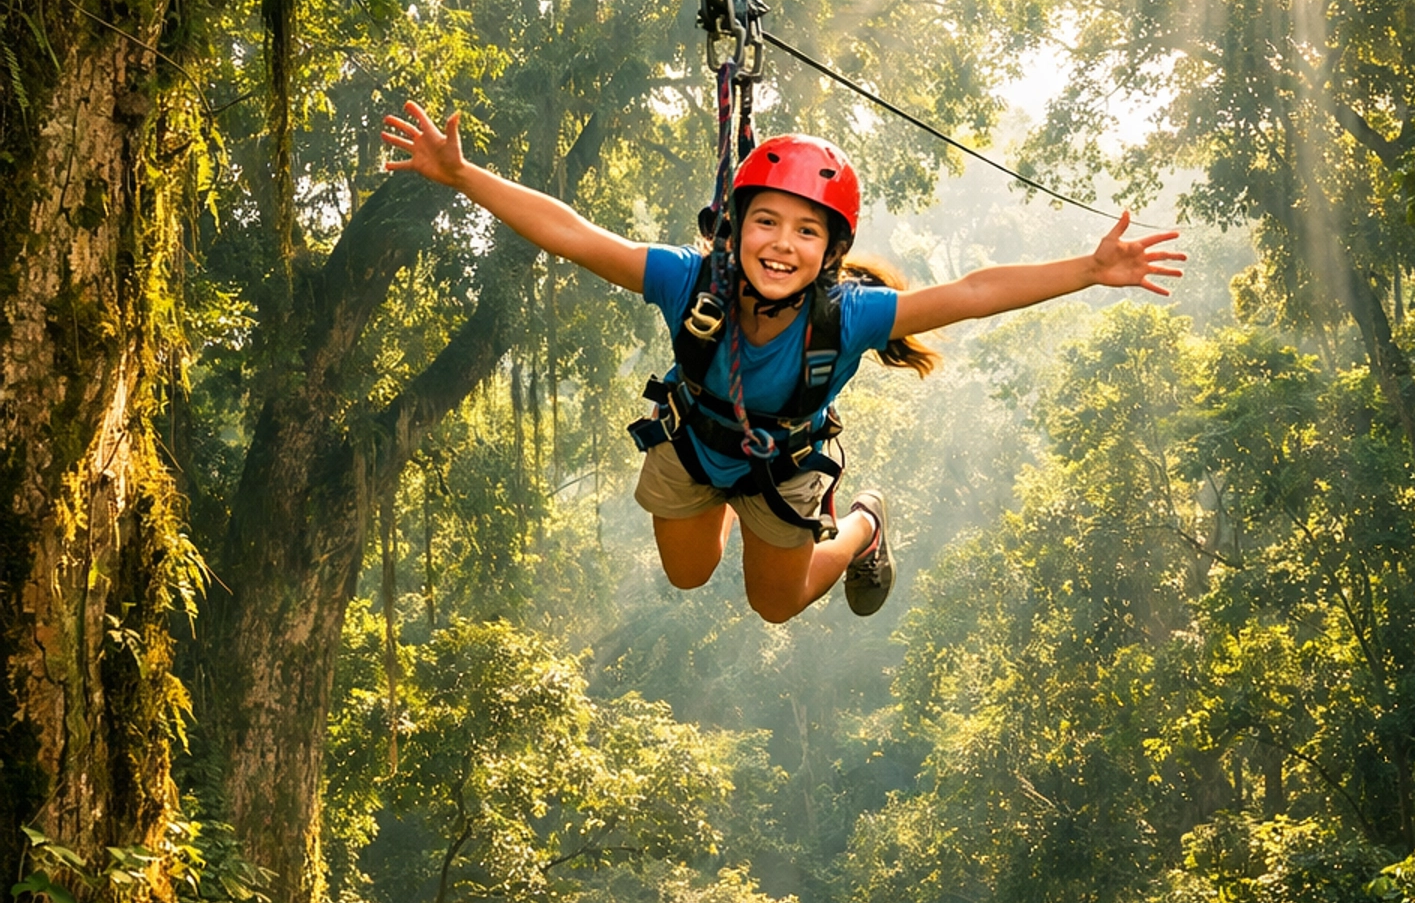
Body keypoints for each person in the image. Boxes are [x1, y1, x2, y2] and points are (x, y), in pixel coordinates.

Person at [381, 103, 1185, 626]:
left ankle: (865, 523)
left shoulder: (852, 316)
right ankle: (733, 501)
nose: (781, 244)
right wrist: (463, 176)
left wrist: (1086, 269)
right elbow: (576, 235)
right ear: (731, 232)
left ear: (831, 253)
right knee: (690, 577)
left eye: (807, 232)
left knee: (775, 605)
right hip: (695, 445)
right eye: (765, 221)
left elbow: (973, 291)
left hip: (786, 466)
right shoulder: (687, 280)